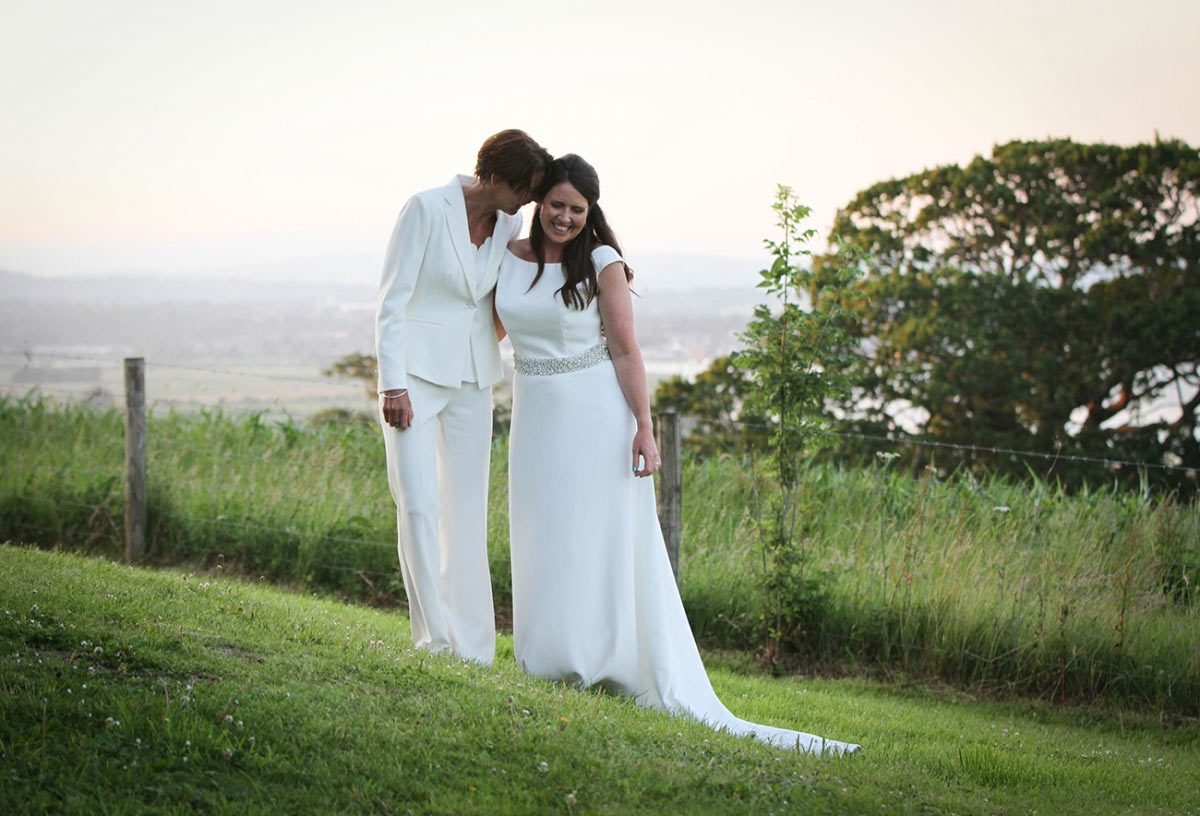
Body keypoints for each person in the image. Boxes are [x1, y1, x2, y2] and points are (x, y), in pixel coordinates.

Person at [494, 154, 860, 754]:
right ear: (540, 202)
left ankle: (595, 659)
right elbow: (495, 326)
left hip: (594, 414)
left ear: (591, 214)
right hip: (535, 416)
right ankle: (546, 656)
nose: (563, 217)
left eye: (576, 209)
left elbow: (626, 352)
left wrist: (644, 425)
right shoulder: (509, 256)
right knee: (541, 530)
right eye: (556, 204)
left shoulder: (603, 264)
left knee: (596, 535)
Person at [376, 129, 551, 665]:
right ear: (494, 178)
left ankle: (473, 648)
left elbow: (494, 298)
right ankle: (432, 639)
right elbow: (391, 301)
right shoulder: (425, 209)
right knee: (420, 505)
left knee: (466, 512)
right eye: (524, 188)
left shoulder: (511, 222)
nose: (530, 202)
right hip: (414, 380)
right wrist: (392, 382)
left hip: (474, 379)